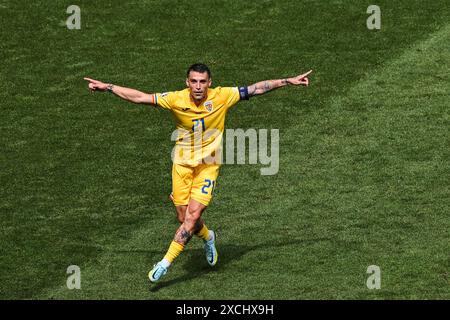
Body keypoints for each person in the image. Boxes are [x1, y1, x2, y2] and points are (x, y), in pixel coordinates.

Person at [84, 64, 312, 283]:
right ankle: (208, 237)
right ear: (187, 82)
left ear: (210, 83)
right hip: (182, 166)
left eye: (203, 81)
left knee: (192, 217)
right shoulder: (175, 99)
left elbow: (257, 87)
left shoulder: (222, 96)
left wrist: (287, 81)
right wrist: (109, 87)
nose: (198, 86)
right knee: (184, 219)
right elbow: (141, 97)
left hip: (208, 166)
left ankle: (165, 262)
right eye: (194, 81)